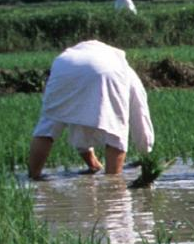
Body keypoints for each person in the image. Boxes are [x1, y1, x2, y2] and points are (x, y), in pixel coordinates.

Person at [27, 40, 154, 179]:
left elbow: (80, 123)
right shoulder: (126, 71)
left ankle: (33, 177)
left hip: (64, 65)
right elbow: (140, 114)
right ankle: (113, 183)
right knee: (116, 130)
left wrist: (94, 166)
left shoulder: (80, 54)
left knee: (49, 125)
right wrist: (145, 152)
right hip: (106, 70)